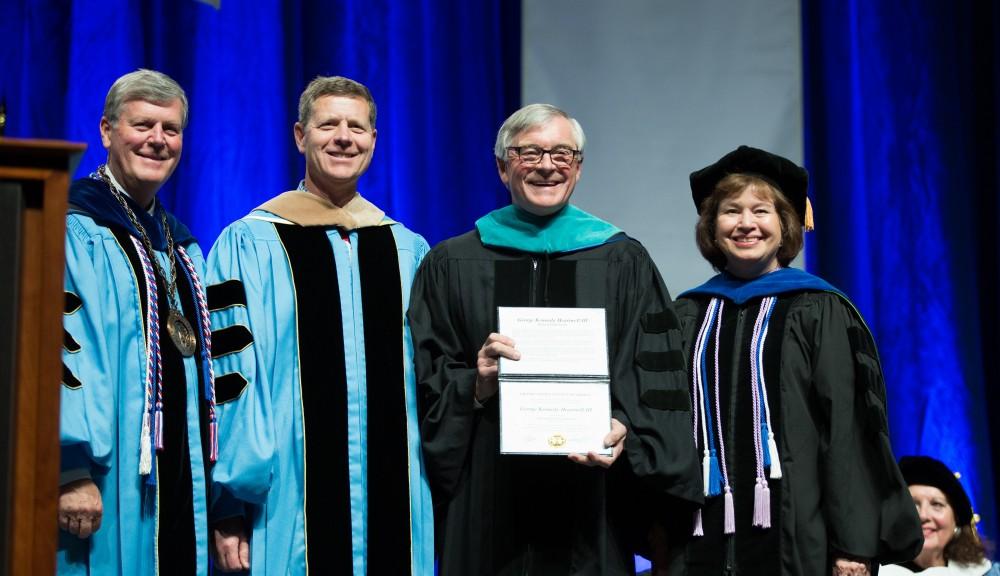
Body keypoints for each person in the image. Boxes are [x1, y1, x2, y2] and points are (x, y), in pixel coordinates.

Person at [407, 103, 702, 575]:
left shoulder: (622, 261)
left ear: (579, 168)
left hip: (593, 500)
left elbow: (653, 374)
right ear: (503, 166)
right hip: (486, 493)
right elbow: (423, 373)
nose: (547, 165)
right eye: (530, 153)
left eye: (562, 154)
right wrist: (475, 384)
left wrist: (625, 424)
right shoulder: (452, 262)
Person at [205, 75, 433, 575]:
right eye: (328, 124)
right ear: (299, 135)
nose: (343, 137)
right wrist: (228, 502)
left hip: (395, 492)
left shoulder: (407, 249)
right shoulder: (248, 243)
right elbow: (226, 377)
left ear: (374, 139)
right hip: (283, 499)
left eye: (357, 126)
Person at [662, 145, 923, 576]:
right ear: (712, 227)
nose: (746, 223)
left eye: (761, 211)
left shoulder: (819, 309)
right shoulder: (687, 314)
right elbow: (664, 425)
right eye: (730, 211)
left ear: (786, 225)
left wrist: (852, 546)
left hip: (799, 540)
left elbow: (848, 429)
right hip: (694, 540)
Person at [58, 69, 214, 575]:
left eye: (170, 130)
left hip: (178, 476)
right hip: (104, 476)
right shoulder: (74, 227)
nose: (157, 140)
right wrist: (71, 468)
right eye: (142, 124)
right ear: (107, 131)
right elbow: (63, 350)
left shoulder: (181, 243)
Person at [880, 455, 1000, 575]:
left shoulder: (986, 572)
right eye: (911, 506)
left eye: (937, 504)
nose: (923, 516)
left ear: (956, 519)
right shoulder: (872, 572)